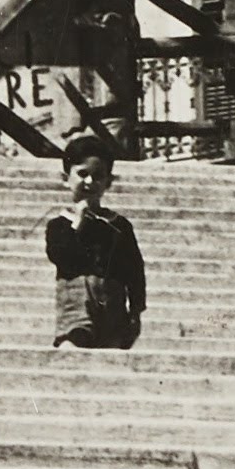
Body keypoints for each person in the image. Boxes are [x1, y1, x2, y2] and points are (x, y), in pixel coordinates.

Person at [43, 132, 146, 353]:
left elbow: (134, 269)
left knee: (112, 350)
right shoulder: (60, 224)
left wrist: (136, 310)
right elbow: (60, 256)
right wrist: (78, 222)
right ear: (65, 179)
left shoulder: (119, 225)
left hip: (113, 302)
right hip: (77, 300)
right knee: (73, 343)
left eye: (98, 176)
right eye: (82, 174)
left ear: (108, 182)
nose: (89, 182)